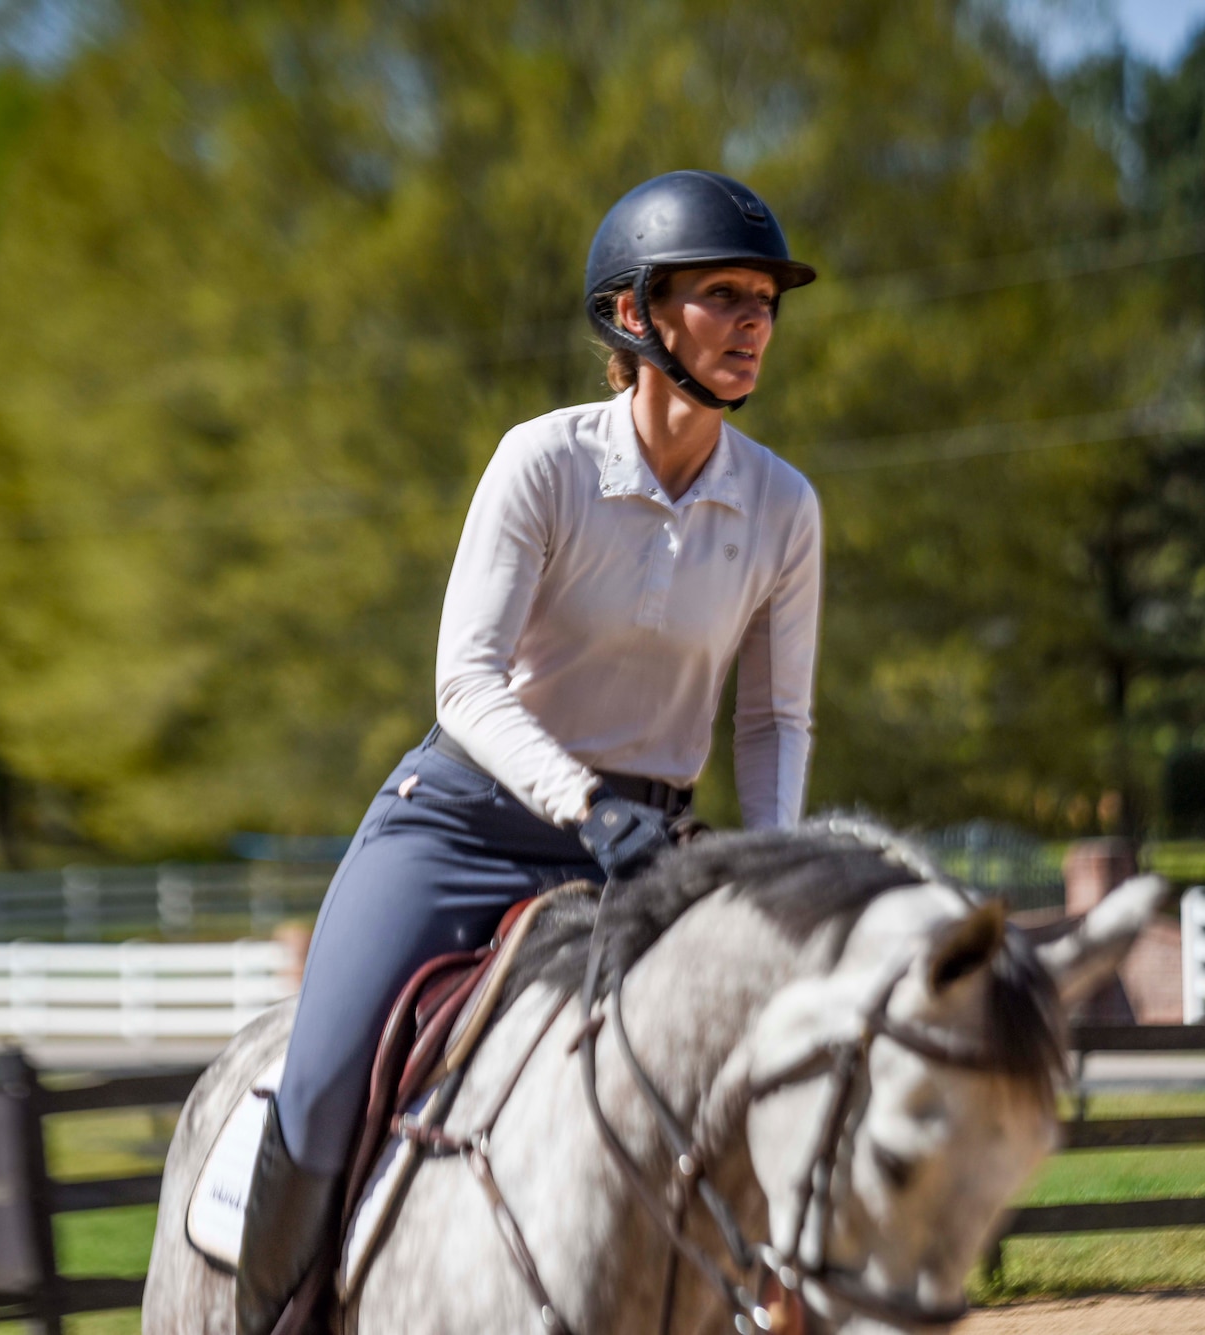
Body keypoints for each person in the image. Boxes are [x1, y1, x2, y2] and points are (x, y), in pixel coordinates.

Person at [235, 169, 824, 1335]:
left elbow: (772, 722)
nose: (755, 322)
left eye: (765, 300)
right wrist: (580, 801)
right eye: (723, 296)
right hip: (461, 824)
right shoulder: (541, 462)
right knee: (315, 1090)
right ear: (634, 315)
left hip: (647, 846)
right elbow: (465, 680)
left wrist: (776, 871)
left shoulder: (783, 507)